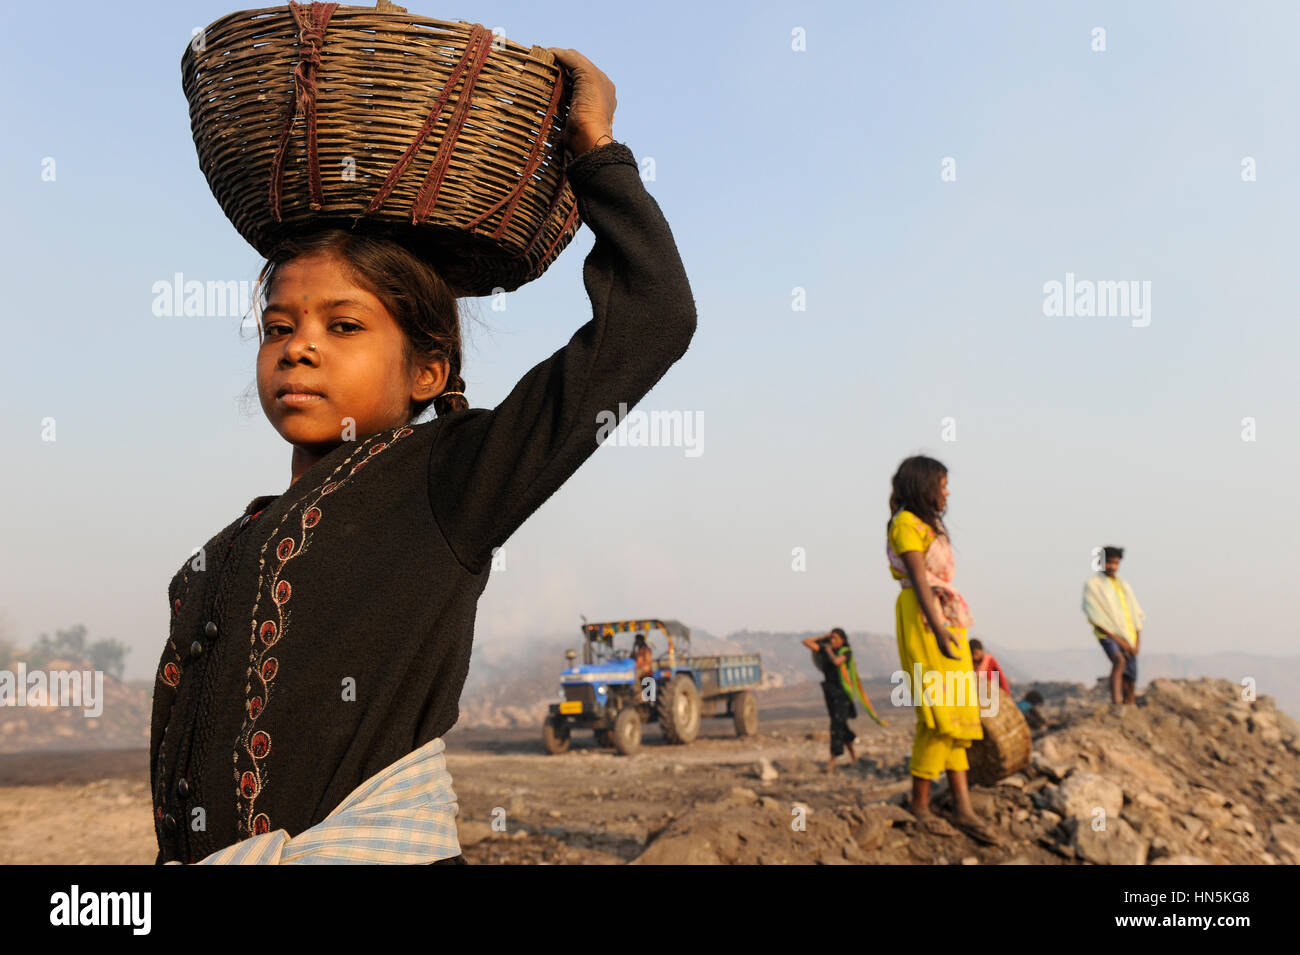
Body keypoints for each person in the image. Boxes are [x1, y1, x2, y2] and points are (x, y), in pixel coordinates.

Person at [150, 48, 697, 864]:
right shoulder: (218, 557)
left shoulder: (445, 482)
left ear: (428, 369)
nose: (298, 348)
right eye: (278, 327)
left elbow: (655, 317)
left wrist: (595, 152)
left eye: (342, 325)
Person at [886, 456, 999, 845]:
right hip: (923, 617)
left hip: (944, 619)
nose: (947, 492)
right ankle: (920, 803)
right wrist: (936, 629)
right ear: (923, 485)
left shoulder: (926, 524)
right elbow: (918, 578)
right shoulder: (904, 524)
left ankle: (962, 805)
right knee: (938, 711)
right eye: (943, 484)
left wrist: (946, 626)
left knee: (958, 712)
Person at [1082, 545, 1146, 710]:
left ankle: (1129, 703)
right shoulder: (1093, 585)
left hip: (1129, 635)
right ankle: (1116, 701)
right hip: (1108, 635)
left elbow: (1135, 612)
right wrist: (1120, 641)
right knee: (1119, 660)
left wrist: (1137, 641)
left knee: (1131, 673)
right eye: (1109, 562)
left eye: (1116, 563)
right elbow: (1096, 616)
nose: (1113, 566)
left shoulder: (1123, 585)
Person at [802, 629, 858, 773]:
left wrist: (828, 650)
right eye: (831, 638)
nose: (832, 641)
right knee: (841, 725)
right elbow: (807, 642)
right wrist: (824, 637)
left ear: (842, 640)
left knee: (836, 726)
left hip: (842, 694)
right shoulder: (825, 649)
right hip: (830, 692)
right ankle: (854, 758)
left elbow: (837, 662)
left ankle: (832, 761)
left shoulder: (846, 652)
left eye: (835, 638)